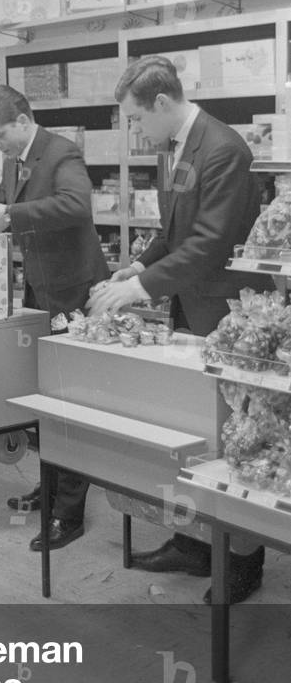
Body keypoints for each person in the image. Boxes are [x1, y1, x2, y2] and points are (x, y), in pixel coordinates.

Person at [87, 54, 267, 604]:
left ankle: (243, 560)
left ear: (162, 102)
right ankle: (194, 543)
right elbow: (175, 231)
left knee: (233, 433)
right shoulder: (179, 146)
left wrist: (141, 289)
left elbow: (211, 241)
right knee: (192, 428)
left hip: (225, 312)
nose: (134, 130)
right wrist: (139, 267)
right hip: (190, 304)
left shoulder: (224, 149)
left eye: (136, 118)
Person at [0, 85, 110, 551]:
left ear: (23, 120)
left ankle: (67, 512)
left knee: (70, 399)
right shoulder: (16, 158)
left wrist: (10, 214)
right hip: (40, 288)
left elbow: (76, 204)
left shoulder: (61, 151)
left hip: (72, 291)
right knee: (47, 396)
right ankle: (49, 486)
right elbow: (5, 198)